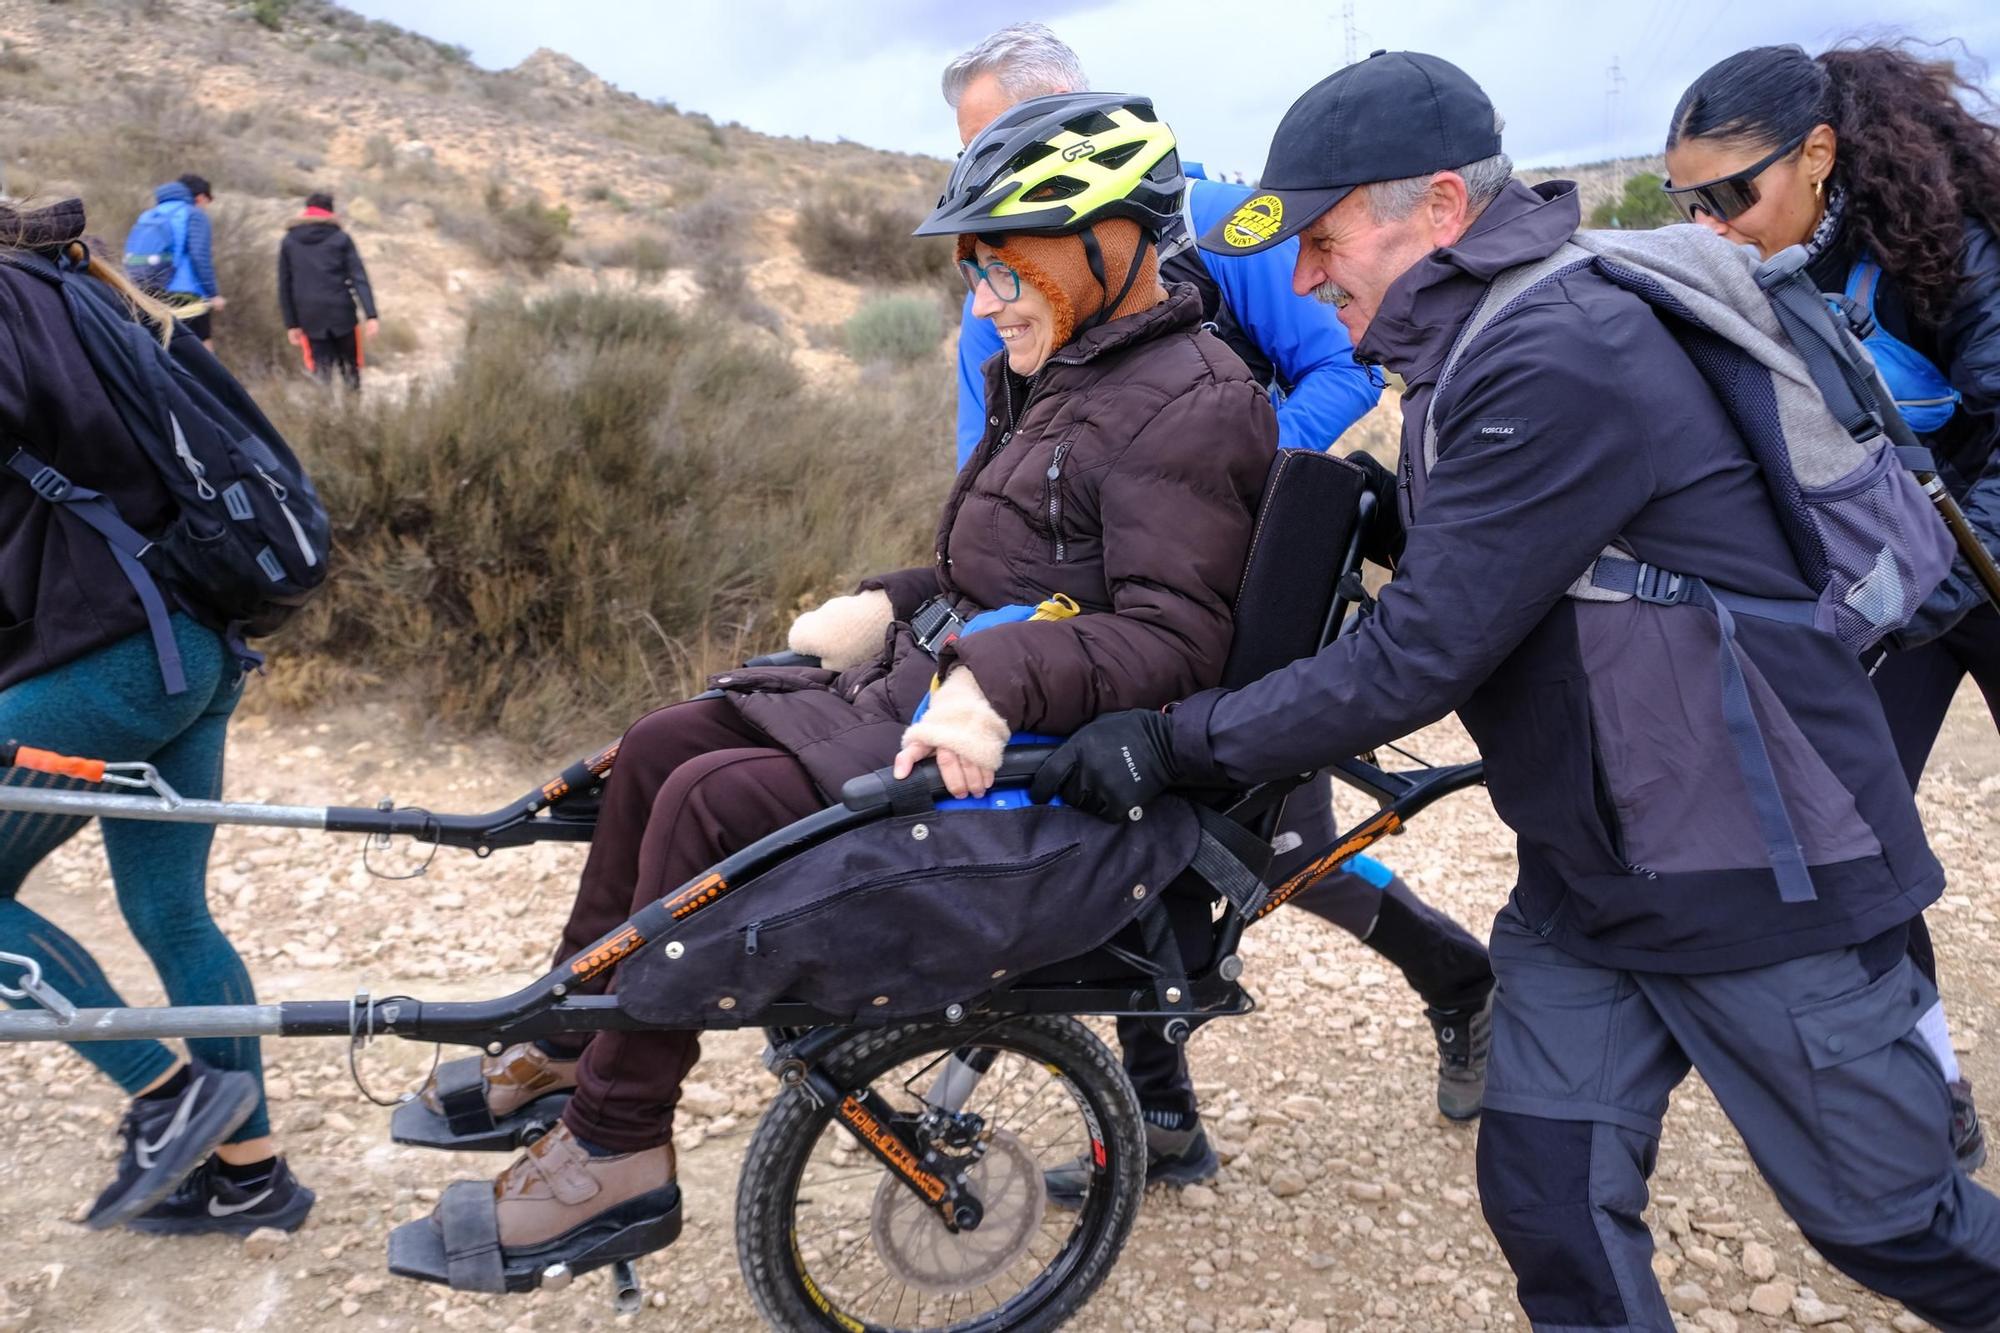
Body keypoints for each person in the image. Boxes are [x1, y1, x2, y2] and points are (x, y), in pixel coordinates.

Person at [1036, 51, 2000, 1331]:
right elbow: (1548, 570)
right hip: (1592, 869)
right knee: (1550, 1205)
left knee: (1897, 1228)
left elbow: (1419, 657)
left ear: (1439, 209)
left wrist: (1168, 740)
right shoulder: (1478, 345)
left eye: (1323, 241)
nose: (1308, 280)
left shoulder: (1556, 347)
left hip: (1749, 870)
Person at [418, 93, 1276, 1261]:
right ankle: (574, 1031)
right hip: (921, 692)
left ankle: (617, 1143)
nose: (984, 300)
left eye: (1006, 267)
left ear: (1112, 242)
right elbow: (999, 564)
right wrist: (887, 596)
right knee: (668, 738)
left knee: (709, 800)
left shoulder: (1193, 400)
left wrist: (990, 679)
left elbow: (1177, 638)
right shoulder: (1072, 370)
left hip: (1025, 758)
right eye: (977, 271)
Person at [940, 22, 1496, 1151]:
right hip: (1084, 615)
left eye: (1003, 134)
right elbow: (983, 462)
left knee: (1271, 847)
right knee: (1101, 835)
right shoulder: (991, 293)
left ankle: (1462, 979)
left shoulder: (1227, 224)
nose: (989, 174)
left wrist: (1236, 481)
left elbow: (1340, 364)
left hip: (1234, 603)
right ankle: (1161, 1113)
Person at [1663, 41, 2000, 1173]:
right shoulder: (1763, 260)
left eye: (1727, 194)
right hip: (1905, 584)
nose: (1706, 223)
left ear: (1817, 155)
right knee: (1855, 841)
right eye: (1683, 202)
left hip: (1962, 562)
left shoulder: (1953, 246)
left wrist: (1911, 587)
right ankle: (1931, 1084)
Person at [0, 197, 310, 1233]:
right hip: (193, 648)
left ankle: (167, 1095)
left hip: (116, 660)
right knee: (171, 912)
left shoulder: (7, 301)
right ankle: (251, 1174)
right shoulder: (80, 295)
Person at [278, 191, 378, 391]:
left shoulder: (289, 240)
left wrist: (291, 324)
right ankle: (353, 416)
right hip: (342, 314)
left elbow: (284, 284)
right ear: (330, 212)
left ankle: (322, 417)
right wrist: (371, 315)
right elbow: (359, 277)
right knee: (351, 370)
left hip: (308, 316)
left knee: (320, 373)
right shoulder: (341, 238)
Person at [122, 174, 221, 348]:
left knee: (163, 348)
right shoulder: (193, 214)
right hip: (186, 293)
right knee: (202, 351)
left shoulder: (148, 215)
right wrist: (213, 293)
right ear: (199, 198)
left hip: (147, 291)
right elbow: (200, 256)